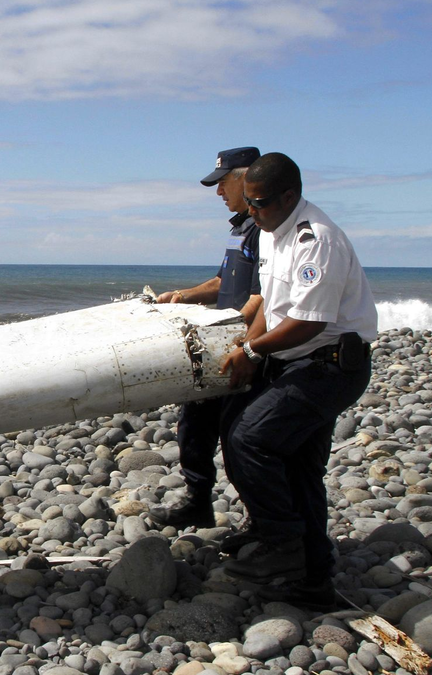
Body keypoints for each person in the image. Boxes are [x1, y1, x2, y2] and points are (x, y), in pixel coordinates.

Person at [217, 153, 377, 608]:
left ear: (289, 196)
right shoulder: (272, 230)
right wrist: (250, 347)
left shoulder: (317, 241)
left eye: (260, 203)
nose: (251, 212)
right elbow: (272, 299)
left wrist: (251, 351)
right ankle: (313, 579)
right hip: (296, 360)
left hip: (329, 366)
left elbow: (308, 322)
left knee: (252, 440)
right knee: (295, 465)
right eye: (247, 202)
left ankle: (281, 544)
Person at [149, 146, 264, 530]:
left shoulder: (265, 231)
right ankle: (198, 500)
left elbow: (263, 297)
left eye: (222, 183)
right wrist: (181, 296)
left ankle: (259, 520)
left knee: (239, 438)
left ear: (246, 179)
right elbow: (221, 283)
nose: (218, 193)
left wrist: (241, 343)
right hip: (223, 343)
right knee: (194, 424)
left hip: (245, 347)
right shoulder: (239, 230)